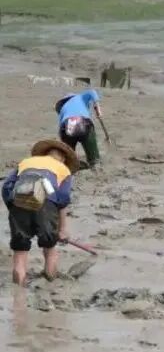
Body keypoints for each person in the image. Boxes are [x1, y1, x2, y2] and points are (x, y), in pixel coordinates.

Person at [2, 139, 79, 285]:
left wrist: (13, 207)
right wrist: (62, 230)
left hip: (19, 200)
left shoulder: (26, 162)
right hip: (46, 203)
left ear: (45, 154)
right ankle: (50, 286)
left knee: (20, 252)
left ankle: (18, 292)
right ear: (63, 159)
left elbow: (7, 187)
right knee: (49, 248)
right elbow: (63, 199)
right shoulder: (63, 169)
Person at [55, 89, 103, 168]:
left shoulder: (63, 109)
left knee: (69, 159)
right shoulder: (80, 97)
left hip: (66, 127)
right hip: (84, 123)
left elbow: (60, 130)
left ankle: (71, 163)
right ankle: (94, 162)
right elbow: (92, 92)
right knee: (94, 159)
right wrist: (97, 107)